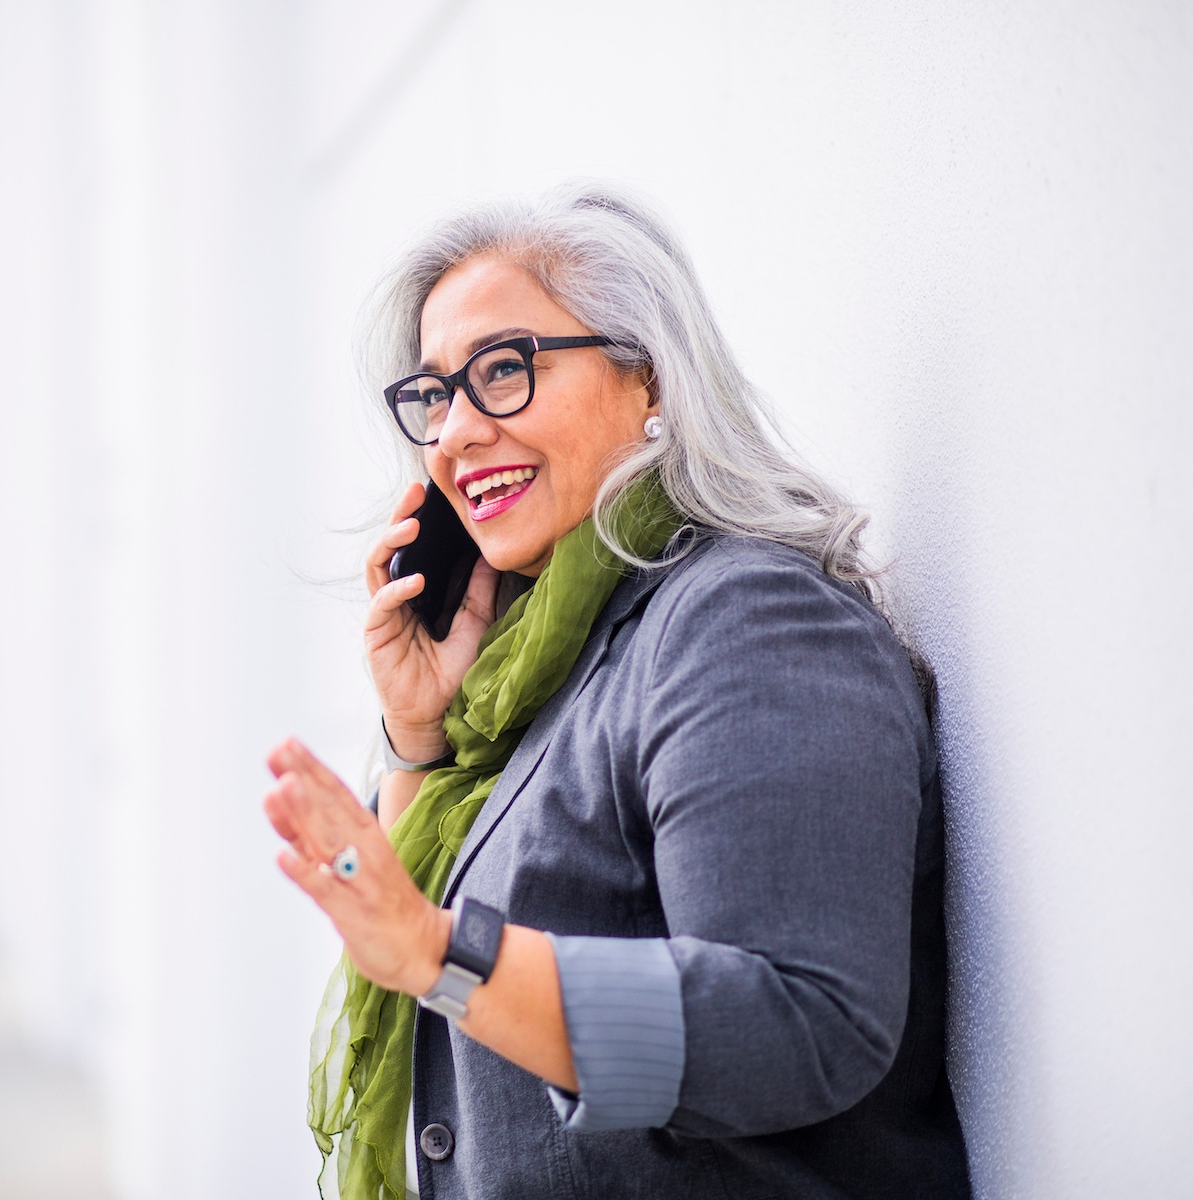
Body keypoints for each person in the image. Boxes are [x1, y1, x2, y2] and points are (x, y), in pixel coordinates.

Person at [262, 186, 970, 1200]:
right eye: (433, 395)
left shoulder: (748, 621)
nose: (455, 432)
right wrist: (421, 740)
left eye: (503, 371)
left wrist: (438, 953)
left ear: (651, 378)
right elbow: (435, 994)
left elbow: (802, 1023)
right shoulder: (538, 666)